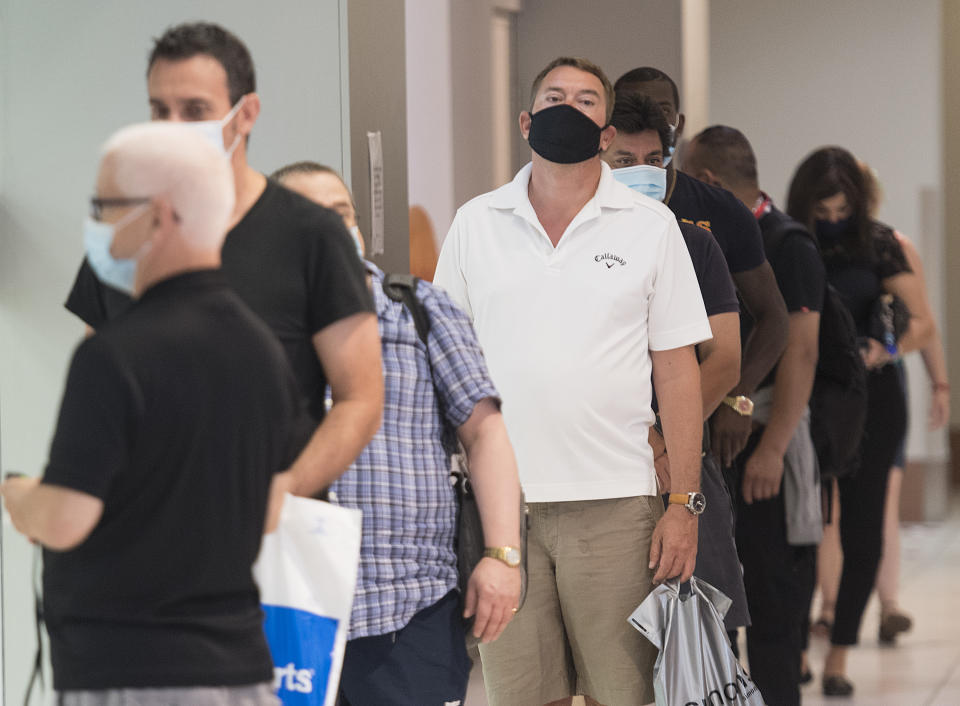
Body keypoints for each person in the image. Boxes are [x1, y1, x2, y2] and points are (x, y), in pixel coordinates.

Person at [0, 122, 314, 705]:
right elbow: (269, 506)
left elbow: (66, 519)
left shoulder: (114, 355)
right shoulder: (262, 350)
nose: (94, 225)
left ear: (159, 214)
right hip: (240, 668)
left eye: (105, 206)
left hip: (133, 672)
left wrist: (21, 496)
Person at [434, 56, 711, 706]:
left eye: (586, 100)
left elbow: (677, 374)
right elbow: (444, 361)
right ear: (526, 121)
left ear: (607, 132)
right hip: (504, 513)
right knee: (524, 696)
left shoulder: (650, 229)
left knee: (625, 695)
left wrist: (684, 506)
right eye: (554, 97)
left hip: (617, 506)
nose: (568, 108)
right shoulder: (477, 223)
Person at [63, 22, 383, 506]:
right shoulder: (124, 235)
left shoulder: (310, 235)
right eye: (159, 111)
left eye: (194, 111)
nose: (173, 129)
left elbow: (360, 398)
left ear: (244, 114)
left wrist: (284, 491)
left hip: (268, 533)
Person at [272, 161, 523, 706]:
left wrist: (503, 556)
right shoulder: (243, 325)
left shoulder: (418, 310)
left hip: (408, 604)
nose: (334, 230)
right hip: (281, 606)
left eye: (344, 215)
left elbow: (485, 435)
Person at [684, 125, 825, 706]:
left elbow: (800, 347)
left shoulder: (784, 243)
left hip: (762, 438)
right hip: (719, 444)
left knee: (771, 608)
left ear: (711, 180)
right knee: (722, 609)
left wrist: (770, 443)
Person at [786, 146, 934, 697]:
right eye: (821, 213)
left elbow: (921, 323)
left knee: (863, 532)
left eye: (840, 211)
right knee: (800, 529)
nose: (831, 222)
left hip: (872, 401)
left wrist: (884, 349)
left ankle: (840, 655)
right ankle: (796, 644)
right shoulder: (788, 240)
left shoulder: (880, 244)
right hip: (804, 400)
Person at [600, 92, 749, 635]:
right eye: (624, 163)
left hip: (681, 469)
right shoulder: (572, 248)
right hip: (605, 464)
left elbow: (725, 358)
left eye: (653, 162)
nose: (641, 173)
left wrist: (668, 441)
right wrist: (648, 440)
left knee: (701, 635)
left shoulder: (693, 245)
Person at [615, 67, 789, 472]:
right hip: (611, 431)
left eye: (660, 111)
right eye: (625, 159)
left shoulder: (712, 220)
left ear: (678, 123)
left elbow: (771, 319)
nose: (649, 123)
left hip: (694, 416)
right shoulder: (581, 223)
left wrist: (737, 397)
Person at [811, 162, 949, 647]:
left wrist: (940, 384)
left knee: (877, 507)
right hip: (827, 392)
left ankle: (886, 603)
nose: (833, 217)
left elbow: (921, 323)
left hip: (880, 389)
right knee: (828, 513)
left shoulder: (891, 245)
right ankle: (830, 607)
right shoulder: (807, 243)